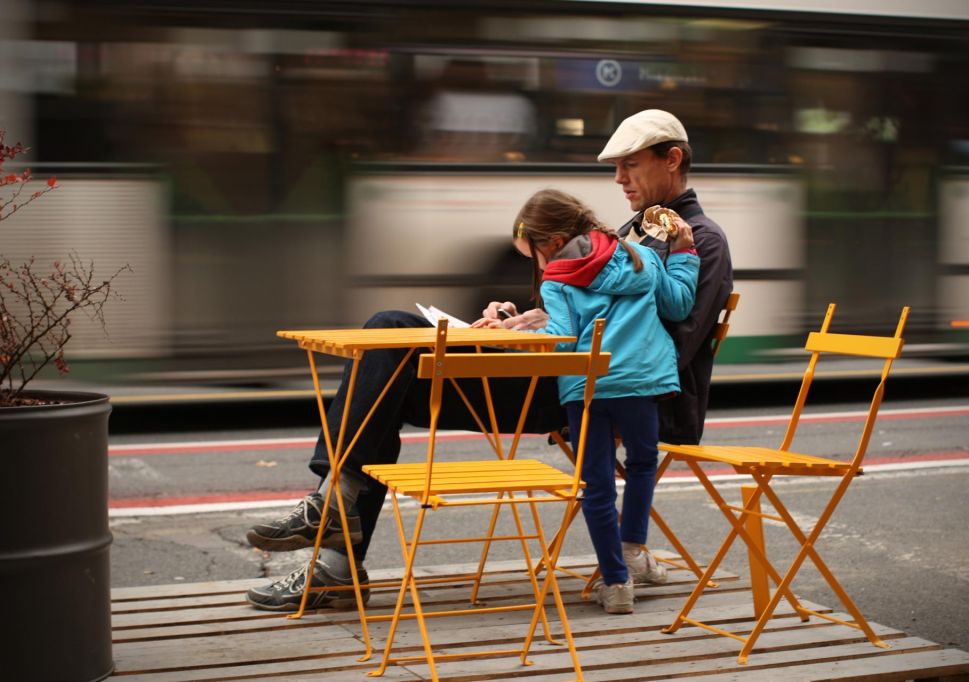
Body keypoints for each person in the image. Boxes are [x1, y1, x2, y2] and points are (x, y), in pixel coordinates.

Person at [244, 109, 733, 611]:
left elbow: (671, 346)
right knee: (387, 357)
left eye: (629, 164)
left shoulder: (697, 240)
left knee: (390, 336)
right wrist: (525, 322)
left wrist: (547, 346)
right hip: (565, 374)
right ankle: (336, 544)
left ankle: (332, 535)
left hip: (595, 394)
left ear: (672, 159)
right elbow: (597, 314)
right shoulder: (636, 233)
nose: (618, 178)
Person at [495, 188, 699, 613]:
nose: (538, 265)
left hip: (588, 390)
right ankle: (631, 549)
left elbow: (562, 344)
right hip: (642, 384)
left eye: (533, 255)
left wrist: (509, 335)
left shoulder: (559, 276)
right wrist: (683, 252)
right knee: (643, 464)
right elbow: (679, 305)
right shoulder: (637, 256)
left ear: (552, 242)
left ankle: (617, 583)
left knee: (596, 485)